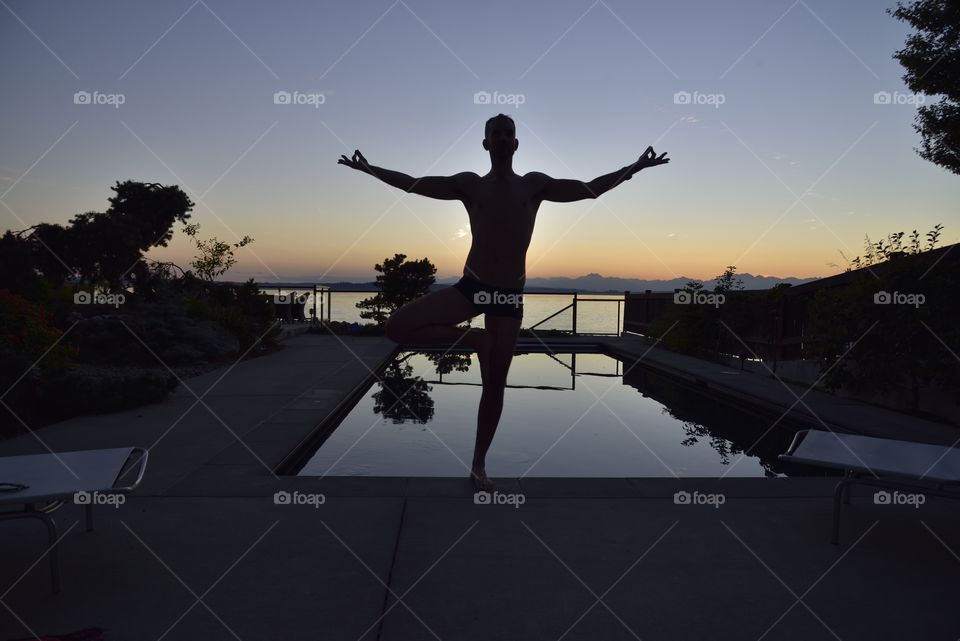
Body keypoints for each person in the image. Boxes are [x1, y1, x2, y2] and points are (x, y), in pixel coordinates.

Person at [337, 113, 669, 490]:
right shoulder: (470, 185)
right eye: (495, 133)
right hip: (472, 287)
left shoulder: (533, 185)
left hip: (508, 296)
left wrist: (635, 167)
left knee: (495, 384)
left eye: (508, 133)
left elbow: (591, 189)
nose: (501, 137)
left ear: (515, 144)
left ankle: (478, 466)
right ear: (485, 143)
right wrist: (370, 170)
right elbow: (414, 184)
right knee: (397, 326)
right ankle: (475, 341)